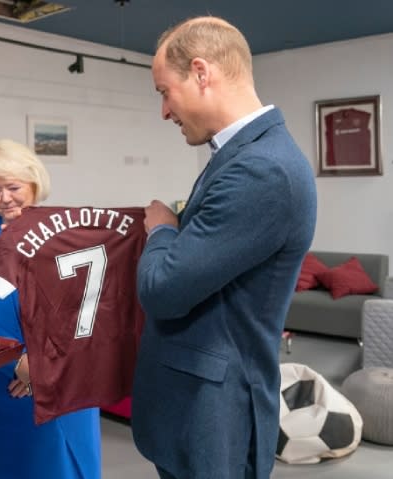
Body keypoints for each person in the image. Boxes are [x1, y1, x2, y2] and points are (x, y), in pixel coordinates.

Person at [132, 16, 317, 479]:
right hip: (195, 407)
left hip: (215, 417)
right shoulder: (242, 156)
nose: (164, 111)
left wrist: (163, 230)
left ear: (201, 73)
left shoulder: (262, 170)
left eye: (163, 92)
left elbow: (163, 288)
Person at [0, 139, 101, 479]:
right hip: (2, 383)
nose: (5, 199)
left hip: (62, 383)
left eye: (13, 187)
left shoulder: (68, 231)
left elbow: (86, 311)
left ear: (34, 183)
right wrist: (19, 360)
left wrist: (42, 367)